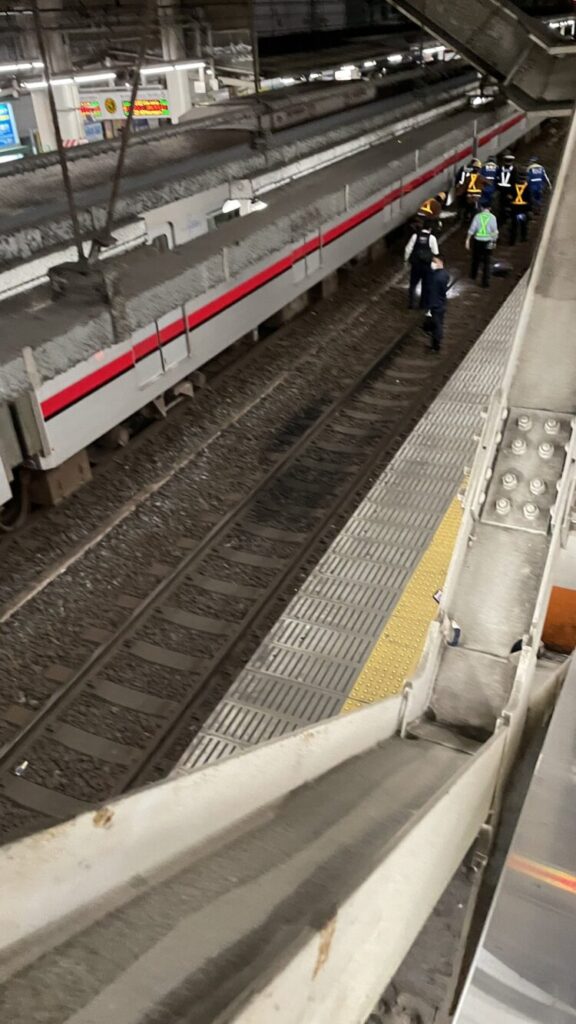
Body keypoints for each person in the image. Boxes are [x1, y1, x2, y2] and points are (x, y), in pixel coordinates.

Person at [404, 223, 438, 309]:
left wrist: (406, 260)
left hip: (416, 265)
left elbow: (408, 249)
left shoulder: (415, 236)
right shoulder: (432, 238)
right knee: (426, 285)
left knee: (413, 284)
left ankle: (411, 303)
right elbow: (436, 252)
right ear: (430, 229)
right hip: (426, 265)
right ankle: (422, 304)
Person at [466, 200, 499, 288]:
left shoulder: (477, 217)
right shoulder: (492, 218)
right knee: (487, 262)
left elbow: (472, 229)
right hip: (488, 241)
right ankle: (485, 282)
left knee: (475, 259)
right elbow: (494, 231)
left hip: (478, 241)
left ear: (481, 208)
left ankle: (473, 275)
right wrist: (494, 241)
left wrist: (468, 240)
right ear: (490, 208)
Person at [427, 254, 450, 353]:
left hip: (436, 304)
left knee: (437, 325)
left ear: (440, 262)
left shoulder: (436, 277)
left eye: (434, 262)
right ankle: (435, 343)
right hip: (441, 303)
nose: (433, 264)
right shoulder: (444, 274)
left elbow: (432, 292)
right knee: (438, 322)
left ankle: (436, 346)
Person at [509, 173, 530, 245]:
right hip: (523, 209)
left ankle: (512, 241)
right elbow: (529, 198)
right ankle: (523, 238)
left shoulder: (514, 186)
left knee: (514, 225)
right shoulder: (527, 187)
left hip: (515, 208)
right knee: (523, 224)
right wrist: (530, 209)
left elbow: (510, 196)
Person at [496, 153, 517, 223]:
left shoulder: (500, 169)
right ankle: (507, 217)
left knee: (501, 206)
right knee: (509, 205)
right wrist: (512, 193)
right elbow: (514, 182)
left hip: (501, 191)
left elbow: (496, 179)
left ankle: (501, 218)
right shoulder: (513, 170)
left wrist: (497, 188)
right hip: (509, 191)